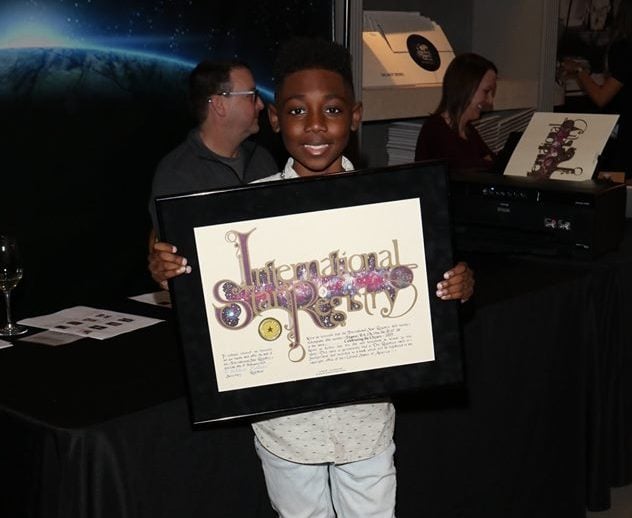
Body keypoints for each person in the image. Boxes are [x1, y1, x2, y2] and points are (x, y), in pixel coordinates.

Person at [149, 37, 474, 517]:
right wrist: (169, 273)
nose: (316, 126)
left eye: (334, 109)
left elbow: (429, 283)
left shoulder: (392, 207)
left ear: (356, 116)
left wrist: (459, 285)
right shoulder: (246, 211)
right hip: (286, 428)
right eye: (298, 112)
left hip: (366, 421)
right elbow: (205, 298)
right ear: (276, 119)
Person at [148, 59, 278, 288]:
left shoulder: (263, 160)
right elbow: (169, 258)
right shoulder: (178, 173)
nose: (260, 104)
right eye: (251, 95)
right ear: (219, 104)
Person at [562, 0, 632, 178]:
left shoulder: (625, 49)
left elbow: (601, 97)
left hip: (625, 141)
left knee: (615, 190)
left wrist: (579, 70)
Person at [414, 53, 498, 172]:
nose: (490, 101)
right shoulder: (435, 130)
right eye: (486, 91)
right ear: (466, 87)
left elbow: (493, 164)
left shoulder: (469, 131)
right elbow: (465, 171)